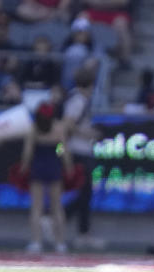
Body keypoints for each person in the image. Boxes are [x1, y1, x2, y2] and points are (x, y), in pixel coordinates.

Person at [20, 101, 72, 253]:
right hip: (53, 166)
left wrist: (24, 167)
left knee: (37, 207)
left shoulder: (33, 128)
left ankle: (36, 242)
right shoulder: (58, 128)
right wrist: (67, 165)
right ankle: (60, 243)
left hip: (38, 166)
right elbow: (62, 149)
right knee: (57, 207)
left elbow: (28, 152)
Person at [62, 66, 103, 249]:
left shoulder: (76, 98)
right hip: (79, 151)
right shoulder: (77, 100)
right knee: (85, 193)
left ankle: (82, 231)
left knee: (86, 194)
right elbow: (68, 125)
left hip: (82, 150)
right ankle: (59, 217)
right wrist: (88, 134)